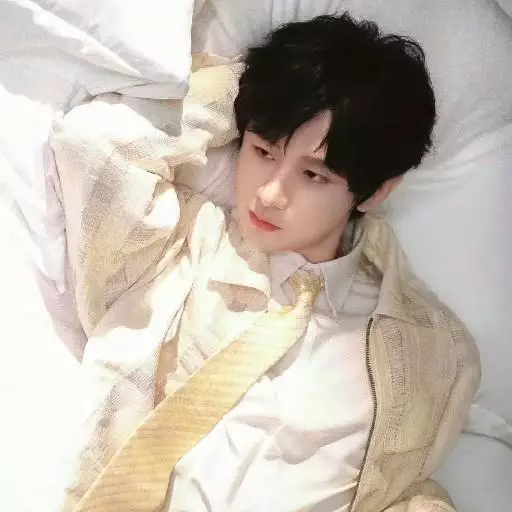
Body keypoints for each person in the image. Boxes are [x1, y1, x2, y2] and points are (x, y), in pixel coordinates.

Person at [52, 12, 480, 512]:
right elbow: (95, 144)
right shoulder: (177, 245)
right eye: (261, 152)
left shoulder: (436, 349)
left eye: (314, 176)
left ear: (375, 192)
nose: (271, 194)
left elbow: (403, 491)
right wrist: (259, 91)